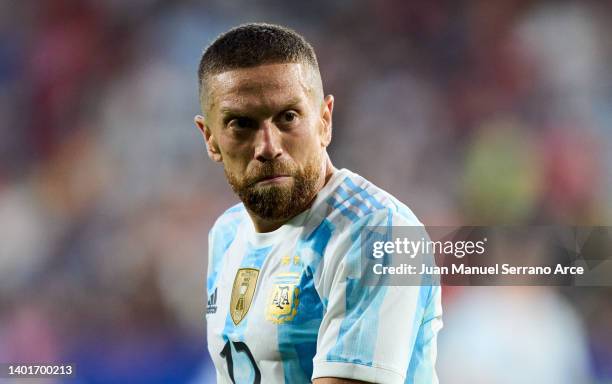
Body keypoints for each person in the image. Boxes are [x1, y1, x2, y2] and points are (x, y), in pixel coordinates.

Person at [195, 23, 442, 384]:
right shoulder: (227, 233)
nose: (268, 146)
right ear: (211, 139)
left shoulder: (381, 233)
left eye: (288, 117)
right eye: (241, 124)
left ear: (324, 121)